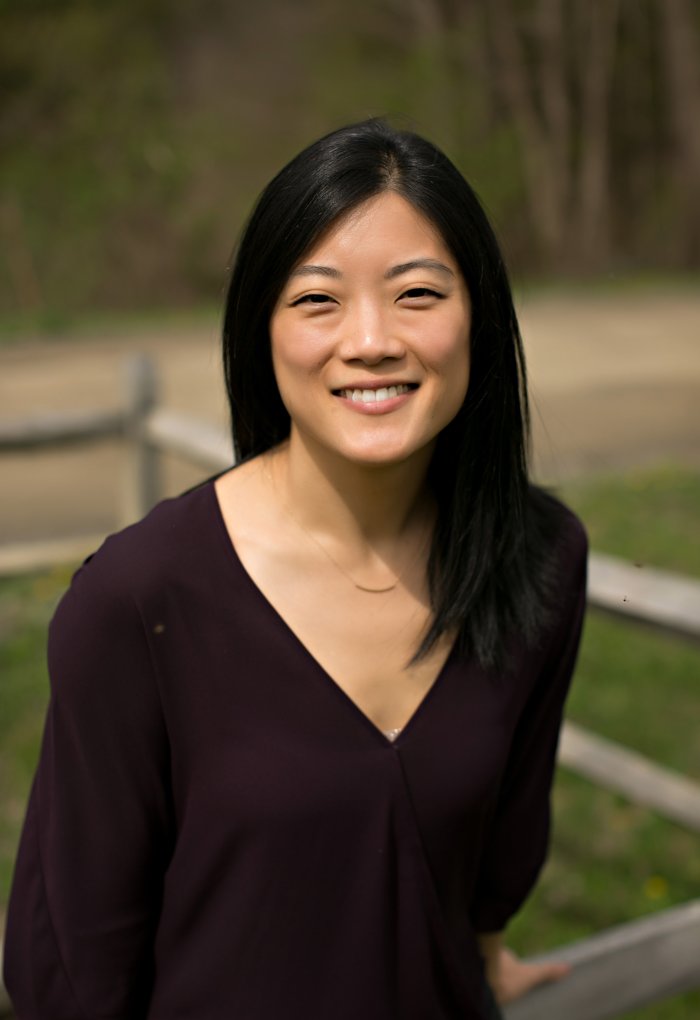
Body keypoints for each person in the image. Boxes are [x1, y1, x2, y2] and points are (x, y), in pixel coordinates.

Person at [3, 118, 586, 1019]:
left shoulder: (540, 558)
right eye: (318, 300)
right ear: (260, 330)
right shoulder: (137, 601)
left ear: (480, 311)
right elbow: (74, 965)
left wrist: (481, 954)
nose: (371, 340)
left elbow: (491, 858)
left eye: (418, 294)